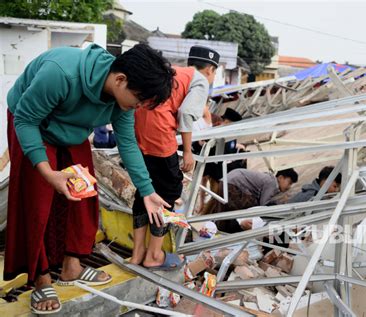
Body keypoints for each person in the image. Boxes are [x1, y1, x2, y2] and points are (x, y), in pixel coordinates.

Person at [5, 43, 175, 314]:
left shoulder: (123, 99)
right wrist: (48, 173)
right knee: (37, 203)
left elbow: (128, 143)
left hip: (71, 129)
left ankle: (72, 266)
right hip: (31, 121)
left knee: (84, 195)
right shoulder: (61, 73)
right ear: (120, 80)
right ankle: (41, 278)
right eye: (139, 100)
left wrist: (147, 190)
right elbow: (25, 121)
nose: (139, 107)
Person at [130, 45, 220, 270]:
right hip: (159, 133)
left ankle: (137, 252)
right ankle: (153, 255)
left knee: (145, 190)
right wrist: (188, 150)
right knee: (168, 191)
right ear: (210, 69)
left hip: (140, 125)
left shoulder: (178, 73)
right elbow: (186, 112)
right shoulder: (199, 80)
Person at [201, 168, 298, 233]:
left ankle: (210, 229)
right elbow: (263, 206)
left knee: (222, 212)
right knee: (241, 211)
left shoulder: (269, 180)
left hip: (228, 181)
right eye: (289, 183)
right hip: (234, 184)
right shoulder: (272, 183)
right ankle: (223, 232)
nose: (289, 187)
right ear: (281, 177)